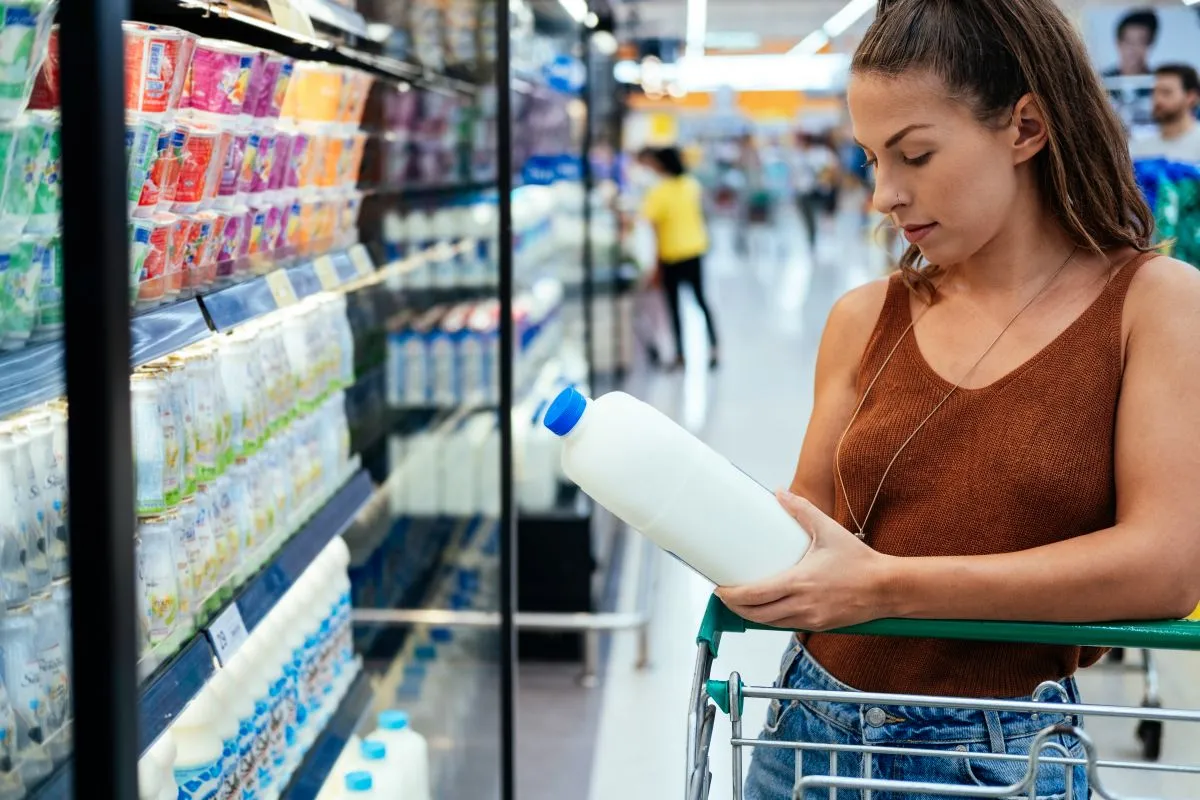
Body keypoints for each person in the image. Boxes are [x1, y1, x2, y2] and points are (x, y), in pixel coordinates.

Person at [716, 1, 1200, 798]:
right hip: (805, 731)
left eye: (914, 155)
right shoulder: (865, 319)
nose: (883, 194)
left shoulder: (1152, 306)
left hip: (998, 757)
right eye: (871, 158)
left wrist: (887, 587)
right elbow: (812, 527)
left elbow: (1166, 567)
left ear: (1026, 128)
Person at [638, 146, 720, 370]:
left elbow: (652, 229)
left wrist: (655, 265)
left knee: (674, 307)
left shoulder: (658, 192)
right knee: (701, 300)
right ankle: (714, 349)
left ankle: (681, 355)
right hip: (695, 249)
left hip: (671, 254)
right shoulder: (690, 185)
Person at [1129, 64, 1200, 162]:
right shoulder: (1138, 150)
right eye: (1154, 92)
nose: (1157, 99)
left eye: (1166, 92)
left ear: (1191, 97)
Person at [1102, 8, 1158, 78]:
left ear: (1150, 43)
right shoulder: (1102, 80)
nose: (1133, 49)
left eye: (1141, 42)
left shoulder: (1159, 81)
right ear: (1118, 43)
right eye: (1129, 41)